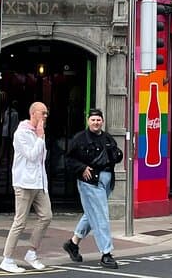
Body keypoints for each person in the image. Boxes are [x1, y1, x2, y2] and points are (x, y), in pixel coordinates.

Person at [63, 108, 123, 270]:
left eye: (98, 120)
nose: (96, 122)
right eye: (93, 120)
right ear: (88, 121)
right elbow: (68, 159)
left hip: (106, 182)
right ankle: (106, 253)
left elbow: (116, 155)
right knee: (101, 215)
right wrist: (81, 168)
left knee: (92, 214)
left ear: (102, 121)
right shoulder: (79, 139)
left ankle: (73, 243)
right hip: (90, 182)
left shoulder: (107, 137)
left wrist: (117, 155)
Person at [0, 102, 52, 274]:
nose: (45, 116)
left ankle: (32, 252)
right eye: (42, 113)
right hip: (24, 183)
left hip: (39, 182)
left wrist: (40, 137)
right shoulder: (21, 133)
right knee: (20, 222)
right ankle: (7, 259)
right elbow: (31, 155)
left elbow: (42, 158)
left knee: (46, 216)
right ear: (33, 113)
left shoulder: (38, 134)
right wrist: (40, 137)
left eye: (46, 113)